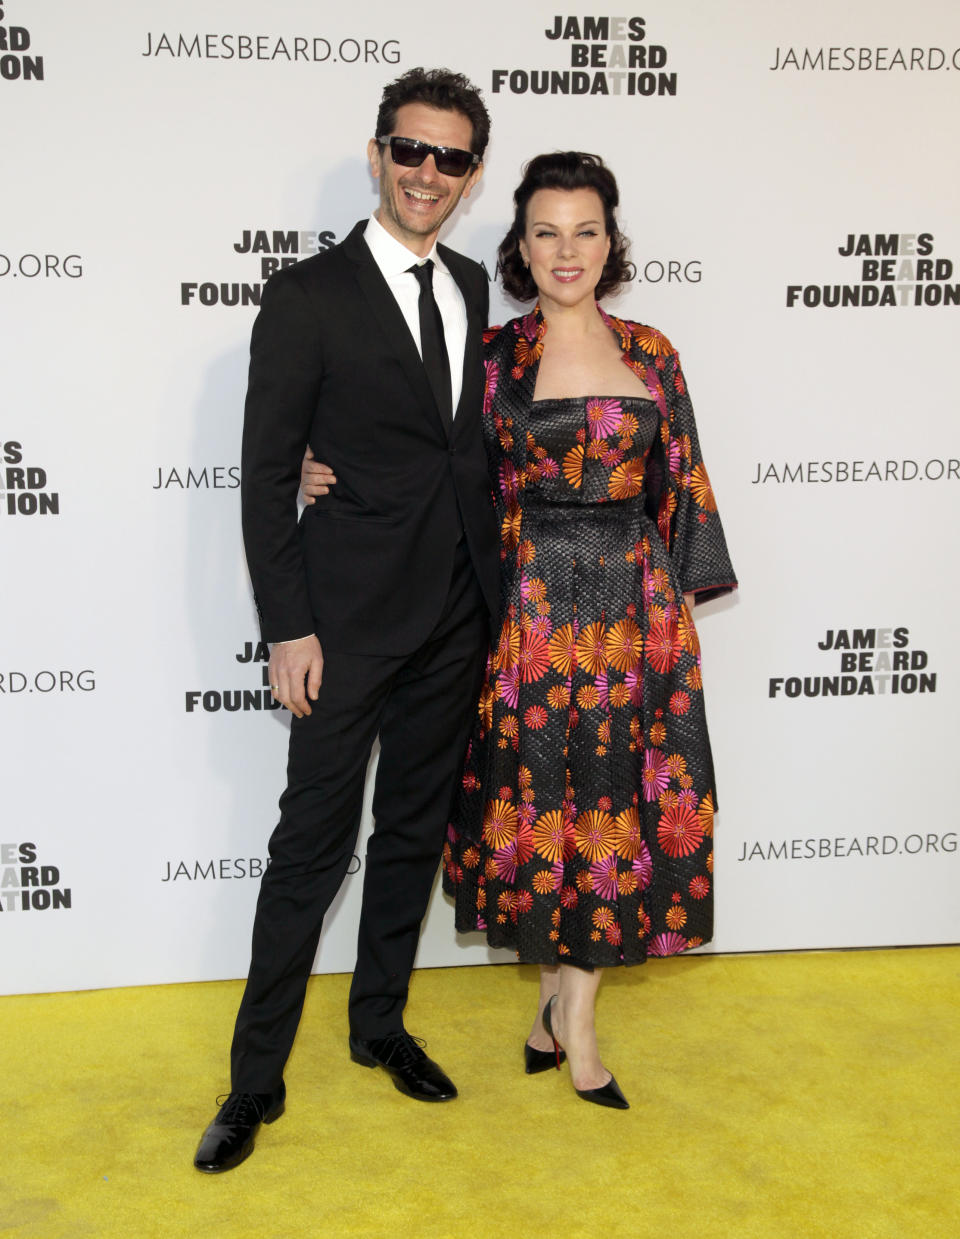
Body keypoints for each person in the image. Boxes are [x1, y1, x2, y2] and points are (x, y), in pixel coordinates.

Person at [304, 152, 737, 1109]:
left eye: (586, 230)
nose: (567, 250)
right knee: (550, 819)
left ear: (610, 240)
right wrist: (309, 455)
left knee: (615, 809)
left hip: (632, 621)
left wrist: (674, 619)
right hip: (528, 619)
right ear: (521, 245)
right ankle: (550, 1010)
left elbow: (687, 486)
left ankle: (576, 1024)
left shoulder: (654, 351)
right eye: (547, 231)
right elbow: (417, 449)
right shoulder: (492, 359)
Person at [193, 67, 500, 1174]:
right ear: (378, 155)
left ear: (470, 176)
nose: (428, 173)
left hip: (458, 614)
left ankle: (379, 1027)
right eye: (410, 151)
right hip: (343, 623)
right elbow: (265, 469)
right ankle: (252, 1082)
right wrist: (288, 627)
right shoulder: (307, 294)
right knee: (309, 850)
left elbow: (460, 448)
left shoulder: (471, 283)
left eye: (452, 158)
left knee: (413, 836)